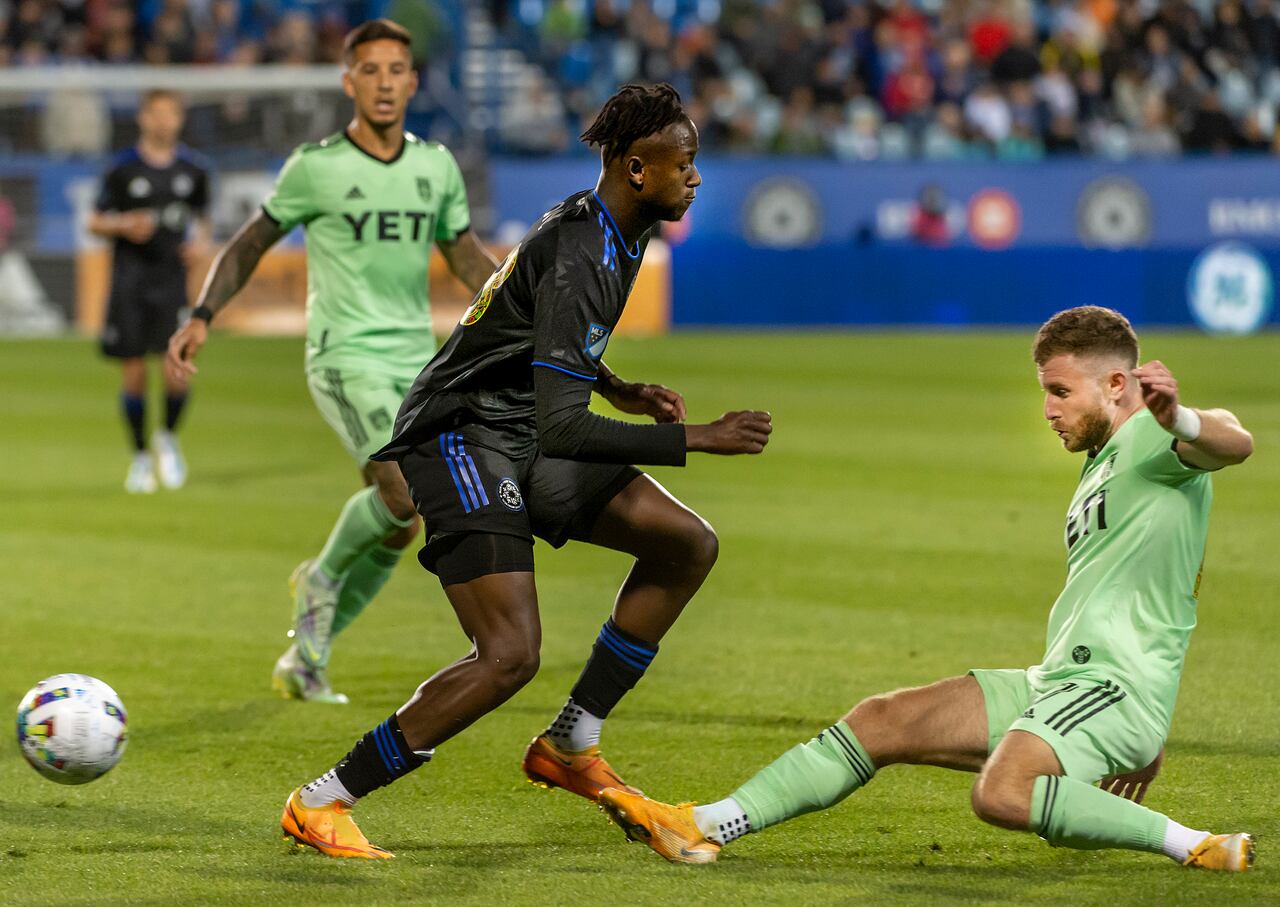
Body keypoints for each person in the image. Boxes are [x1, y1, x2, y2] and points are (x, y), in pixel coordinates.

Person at [277, 83, 774, 860]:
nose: (696, 177)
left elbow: (538, 333)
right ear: (638, 167)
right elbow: (563, 424)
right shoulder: (585, 243)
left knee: (685, 543)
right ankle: (323, 799)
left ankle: (572, 742)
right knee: (509, 654)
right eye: (686, 163)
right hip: (460, 434)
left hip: (517, 431)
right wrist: (698, 438)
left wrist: (618, 385)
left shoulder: (617, 224)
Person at [600, 305, 1256, 873]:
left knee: (1004, 791)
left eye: (1060, 391)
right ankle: (704, 825)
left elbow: (1235, 439)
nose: (1049, 410)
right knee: (883, 719)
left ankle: (1196, 843)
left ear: (1117, 383)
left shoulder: (1156, 440)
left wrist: (1183, 420)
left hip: (1109, 689)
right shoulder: (1107, 459)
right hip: (1068, 682)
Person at [166, 19, 498, 703]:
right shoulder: (316, 166)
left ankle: (307, 656)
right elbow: (250, 242)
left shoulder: (434, 166)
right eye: (369, 71)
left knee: (403, 520)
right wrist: (202, 314)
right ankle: (319, 579)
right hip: (344, 355)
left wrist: (520, 310)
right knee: (403, 490)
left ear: (411, 81)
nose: (383, 83)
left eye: (395, 70)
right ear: (349, 82)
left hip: (418, 361)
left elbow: (463, 253)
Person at [89, 89, 210, 493]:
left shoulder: (193, 170)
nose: (163, 121)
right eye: (156, 113)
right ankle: (140, 456)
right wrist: (123, 225)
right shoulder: (122, 169)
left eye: (170, 114)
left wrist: (201, 246)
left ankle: (169, 438)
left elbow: (204, 221)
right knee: (135, 371)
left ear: (179, 119)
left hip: (172, 284)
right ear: (143, 118)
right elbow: (94, 221)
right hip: (130, 283)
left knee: (177, 373)